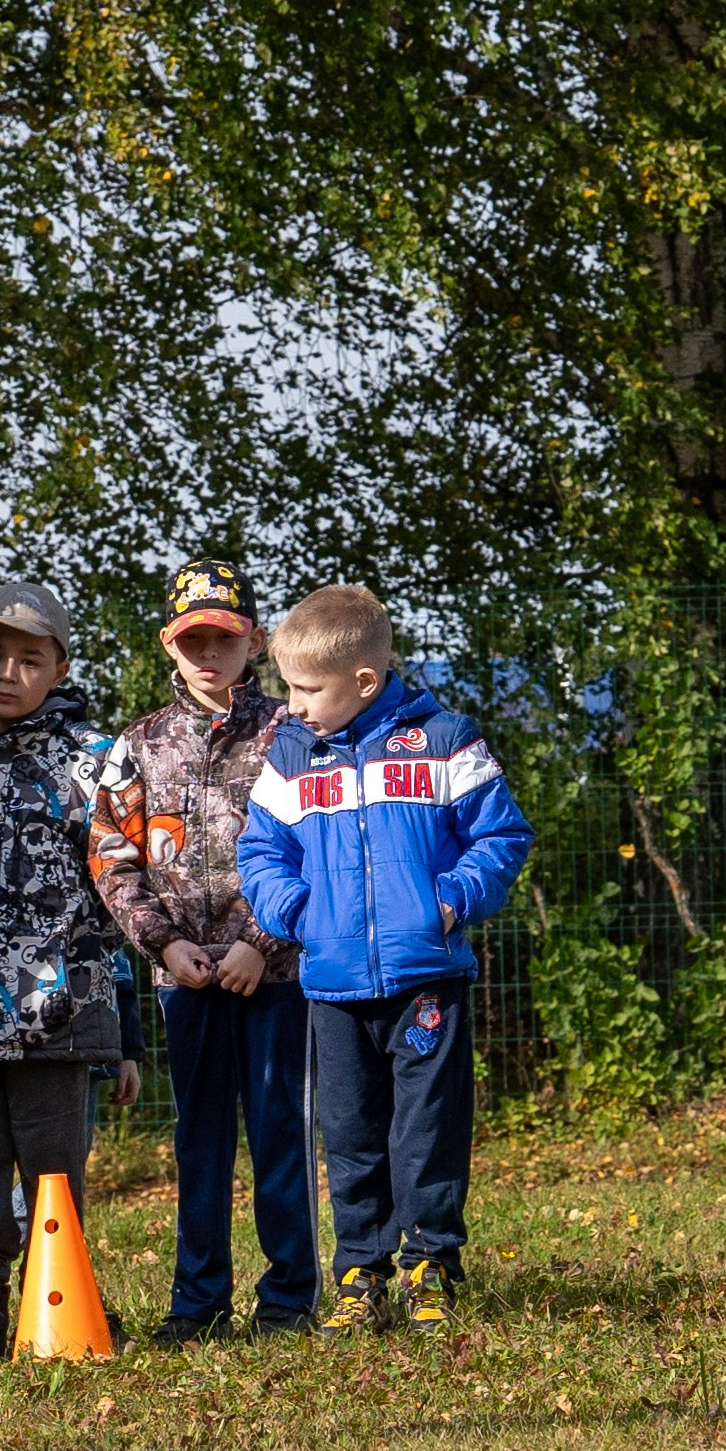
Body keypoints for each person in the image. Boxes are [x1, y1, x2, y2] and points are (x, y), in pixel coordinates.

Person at [238, 585, 532, 1337]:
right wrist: (300, 915)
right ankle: (359, 1272)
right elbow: (260, 852)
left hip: (426, 978)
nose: (293, 704)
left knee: (426, 1127)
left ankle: (432, 1264)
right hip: (332, 987)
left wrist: (450, 901)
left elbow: (501, 838)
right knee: (350, 1132)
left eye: (307, 688)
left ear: (362, 681)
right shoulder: (291, 756)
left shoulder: (444, 738)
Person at [89, 560, 317, 1345]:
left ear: (252, 639)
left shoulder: (294, 733)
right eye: (193, 640)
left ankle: (289, 1298)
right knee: (199, 1140)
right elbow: (109, 857)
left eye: (223, 636)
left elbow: (314, 848)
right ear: (169, 645)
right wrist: (165, 944)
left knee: (280, 1129)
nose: (208, 653)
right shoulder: (137, 745)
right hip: (183, 977)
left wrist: (261, 941)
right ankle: (198, 1305)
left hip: (277, 975)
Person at [0, 582, 132, 1361]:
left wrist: (125, 1034)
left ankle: (60, 1299)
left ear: (60, 667)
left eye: (28, 659)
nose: (7, 673)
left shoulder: (97, 761)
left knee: (53, 1171)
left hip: (63, 1012)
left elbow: (119, 892)